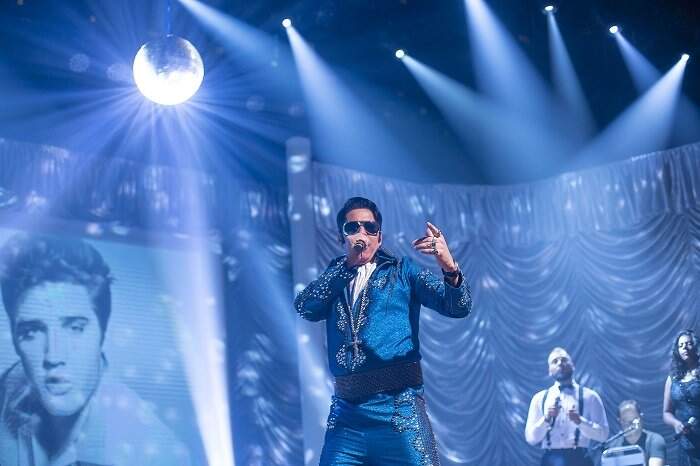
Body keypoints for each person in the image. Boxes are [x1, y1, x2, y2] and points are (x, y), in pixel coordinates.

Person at [294, 196, 472, 465]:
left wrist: (449, 267)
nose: (362, 233)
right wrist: (346, 266)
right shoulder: (335, 277)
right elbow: (305, 308)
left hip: (399, 410)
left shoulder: (403, 272)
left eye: (370, 227)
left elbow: (458, 307)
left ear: (380, 237)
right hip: (347, 418)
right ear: (341, 236)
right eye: (352, 228)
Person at [0, 233, 190, 466]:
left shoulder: (155, 453)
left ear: (103, 331)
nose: (53, 356)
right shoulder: (9, 386)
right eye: (31, 332)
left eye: (75, 328)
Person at [525, 347, 609, 466]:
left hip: (580, 459)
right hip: (551, 460)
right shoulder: (539, 398)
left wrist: (580, 421)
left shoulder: (590, 397)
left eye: (564, 360)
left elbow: (603, 435)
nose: (560, 363)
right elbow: (531, 438)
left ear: (573, 365)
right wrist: (546, 419)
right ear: (549, 370)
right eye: (555, 361)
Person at [663, 329, 700, 466]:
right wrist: (676, 424)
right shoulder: (672, 378)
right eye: (681, 345)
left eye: (688, 344)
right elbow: (666, 412)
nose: (684, 348)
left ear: (696, 346)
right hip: (686, 443)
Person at [603, 400, 665, 466]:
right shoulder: (612, 446)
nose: (630, 424)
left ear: (641, 417)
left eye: (634, 419)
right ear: (619, 421)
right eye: (625, 420)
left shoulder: (654, 440)